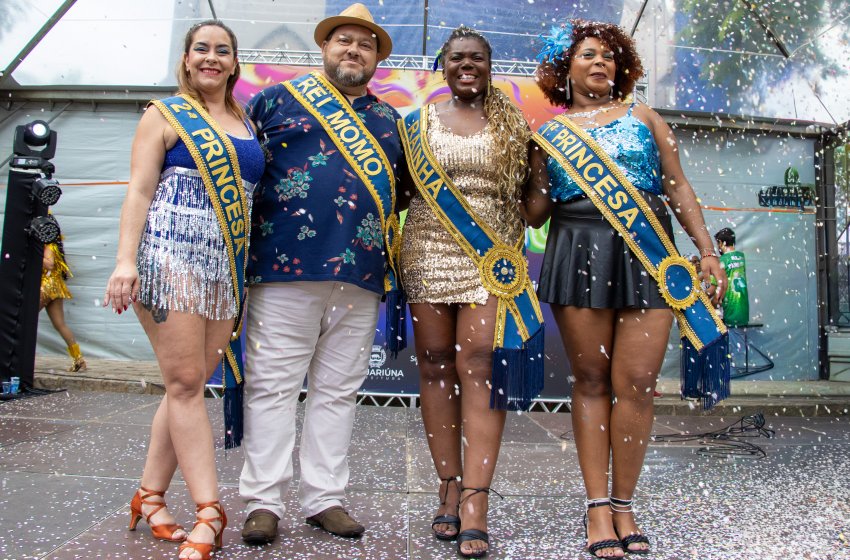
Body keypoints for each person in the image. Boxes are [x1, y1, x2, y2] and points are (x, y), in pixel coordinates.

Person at [531, 19, 728, 558]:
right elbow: (535, 211)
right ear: (564, 68)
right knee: (592, 380)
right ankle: (597, 506)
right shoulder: (547, 136)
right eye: (588, 54)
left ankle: (624, 504)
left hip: (648, 254)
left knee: (637, 383)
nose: (601, 62)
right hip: (578, 250)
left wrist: (707, 249)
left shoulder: (645, 116)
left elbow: (677, 185)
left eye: (609, 55)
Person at [237, 3, 407, 544]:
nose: (354, 50)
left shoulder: (391, 122)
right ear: (325, 47)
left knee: (337, 391)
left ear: (377, 58)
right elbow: (241, 174)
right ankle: (264, 501)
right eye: (344, 41)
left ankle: (324, 498)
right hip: (284, 266)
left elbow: (403, 195)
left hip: (360, 273)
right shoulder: (274, 101)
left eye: (365, 44)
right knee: (273, 387)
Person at [103, 20, 263, 560]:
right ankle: (210, 512)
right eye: (202, 49)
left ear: (234, 62)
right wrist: (125, 261)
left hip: (224, 266)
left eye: (222, 50)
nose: (211, 57)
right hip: (169, 253)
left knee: (183, 387)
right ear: (187, 58)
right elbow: (139, 190)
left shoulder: (245, 120)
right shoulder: (165, 114)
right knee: (188, 385)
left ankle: (149, 497)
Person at [397, 25, 550, 559]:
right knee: (436, 365)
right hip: (426, 252)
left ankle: (476, 499)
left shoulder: (516, 126)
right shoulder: (414, 125)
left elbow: (535, 212)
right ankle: (448, 485)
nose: (467, 65)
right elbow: (400, 192)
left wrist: (544, 170)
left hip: (490, 260)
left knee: (479, 364)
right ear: (442, 66)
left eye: (477, 58)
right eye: (458, 57)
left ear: (490, 66)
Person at [39, 228, 86, 372]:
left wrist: (33, 253)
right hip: (55, 286)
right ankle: (79, 359)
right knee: (60, 324)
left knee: (24, 319)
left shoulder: (48, 242)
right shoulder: (51, 241)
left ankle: (21, 357)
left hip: (46, 286)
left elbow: (49, 263)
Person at [715, 227, 749, 327]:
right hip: (743, 312)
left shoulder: (721, 261)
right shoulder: (741, 257)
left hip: (730, 312)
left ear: (720, 243)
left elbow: (714, 289)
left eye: (718, 244)